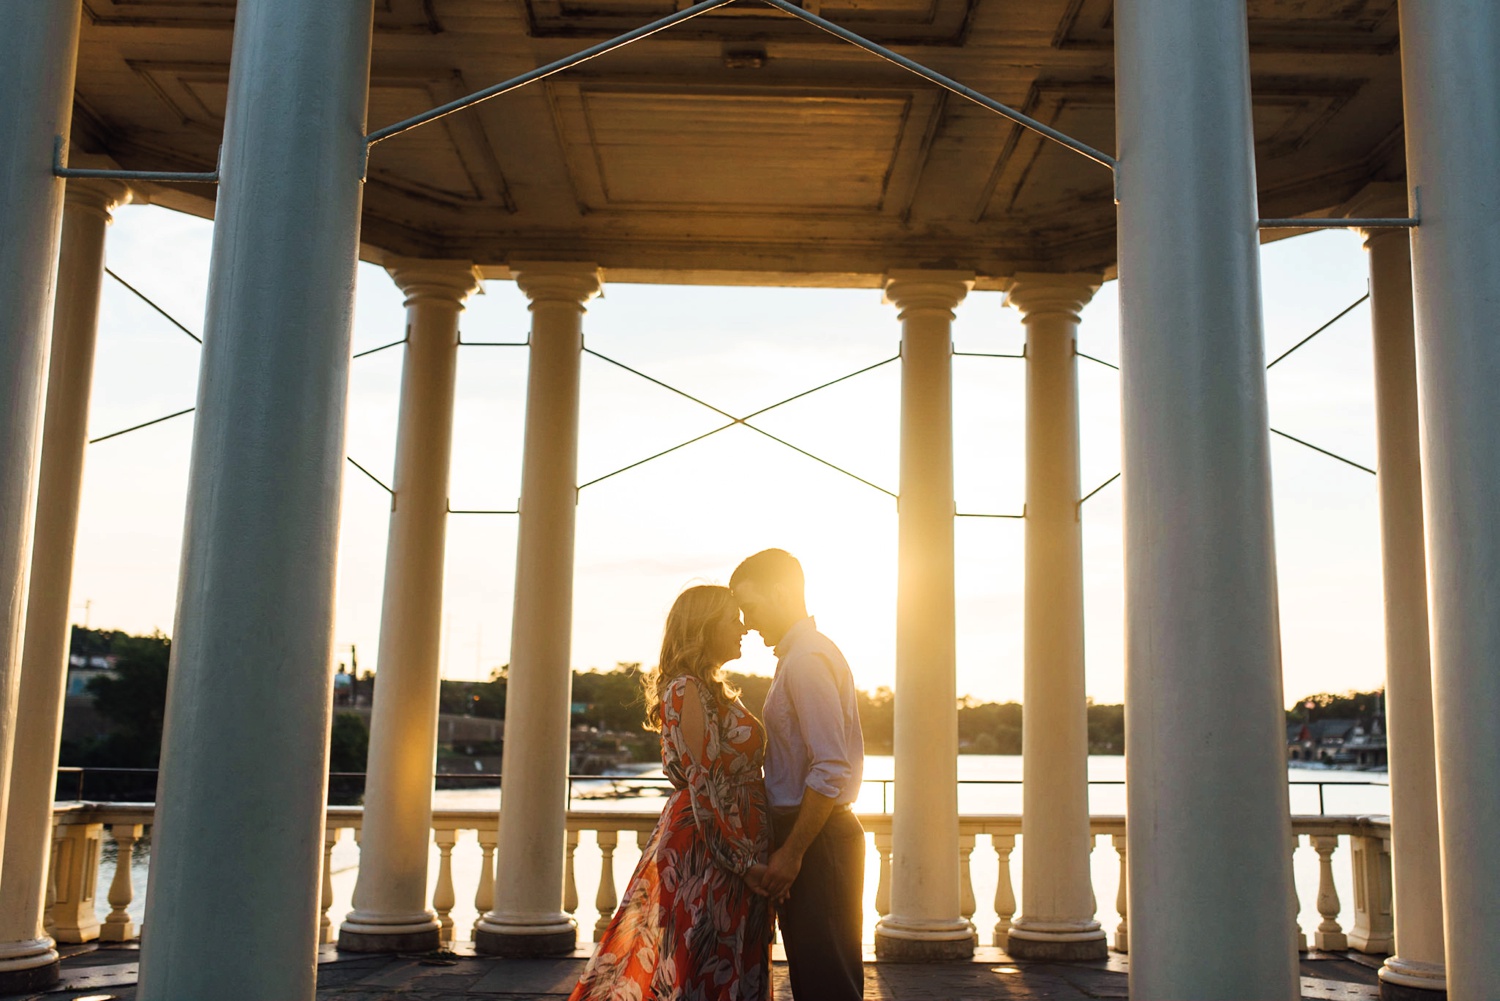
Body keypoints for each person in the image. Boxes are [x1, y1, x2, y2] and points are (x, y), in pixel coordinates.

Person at [570, 585, 774, 1001]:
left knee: (732, 963)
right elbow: (704, 785)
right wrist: (745, 863)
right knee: (704, 966)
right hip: (710, 852)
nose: (743, 628)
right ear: (704, 626)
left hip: (734, 848)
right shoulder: (686, 689)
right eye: (732, 618)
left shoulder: (709, 688)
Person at [731, 549, 865, 1001]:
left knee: (828, 982)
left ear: (782, 591)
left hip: (817, 837)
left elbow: (829, 767)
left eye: (751, 606)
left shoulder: (807, 659)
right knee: (816, 976)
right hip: (811, 835)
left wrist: (791, 853)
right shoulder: (798, 656)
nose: (747, 622)